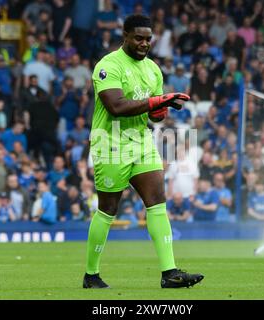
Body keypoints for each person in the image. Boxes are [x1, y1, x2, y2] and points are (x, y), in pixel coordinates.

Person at [84, 14, 203, 289]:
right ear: (124, 35)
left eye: (148, 39)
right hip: (110, 143)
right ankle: (91, 275)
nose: (144, 43)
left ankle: (169, 273)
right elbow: (117, 106)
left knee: (157, 202)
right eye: (138, 38)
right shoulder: (108, 66)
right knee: (108, 209)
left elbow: (154, 113)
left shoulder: (153, 70)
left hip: (141, 141)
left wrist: (161, 110)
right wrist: (155, 101)